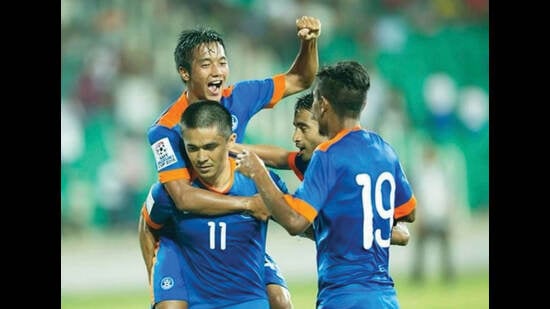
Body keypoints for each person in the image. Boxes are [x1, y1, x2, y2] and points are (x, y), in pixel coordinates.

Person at [140, 16, 321, 309]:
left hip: (233, 216)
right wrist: (249, 204)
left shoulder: (239, 96)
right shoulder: (165, 130)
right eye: (206, 64)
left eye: (222, 62)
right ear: (184, 73)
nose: (217, 72)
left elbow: (300, 79)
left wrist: (308, 42)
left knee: (279, 300)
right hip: (187, 230)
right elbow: (182, 197)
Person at [235, 60, 417, 308]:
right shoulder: (385, 151)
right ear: (362, 104)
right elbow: (409, 212)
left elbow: (295, 220)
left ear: (322, 105)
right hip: (384, 297)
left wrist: (258, 172)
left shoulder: (327, 155)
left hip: (342, 296)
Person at [142, 101, 290, 308]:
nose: (201, 158)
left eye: (210, 147)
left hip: (243, 277)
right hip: (192, 277)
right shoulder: (170, 192)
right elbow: (147, 227)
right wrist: (155, 280)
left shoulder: (260, 180)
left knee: (281, 301)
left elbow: (297, 221)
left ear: (231, 142)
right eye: (192, 148)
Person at [232, 92, 410, 245]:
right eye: (295, 127)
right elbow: (281, 158)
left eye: (303, 128)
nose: (295, 137)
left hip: (356, 277)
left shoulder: (351, 167)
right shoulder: (315, 161)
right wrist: (229, 147)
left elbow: (402, 233)